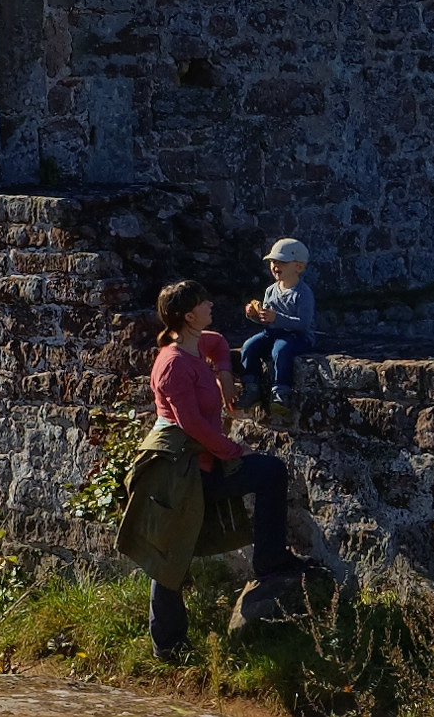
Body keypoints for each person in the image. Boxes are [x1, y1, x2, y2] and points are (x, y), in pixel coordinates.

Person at [116, 280, 308, 660]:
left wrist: (223, 376)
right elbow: (193, 427)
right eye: (204, 302)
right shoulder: (172, 364)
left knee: (270, 472)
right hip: (177, 468)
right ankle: (168, 647)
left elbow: (220, 344)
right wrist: (234, 450)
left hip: (200, 460)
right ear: (188, 316)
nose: (210, 305)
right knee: (172, 551)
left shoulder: (195, 344)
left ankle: (271, 562)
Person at [238, 238, 315, 413]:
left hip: (298, 336)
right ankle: (251, 386)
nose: (275, 266)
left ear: (299, 267)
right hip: (274, 332)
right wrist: (255, 316)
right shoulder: (271, 290)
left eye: (282, 262)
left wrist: (276, 318)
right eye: (273, 262)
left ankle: (281, 391)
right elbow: (267, 320)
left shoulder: (303, 293)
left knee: (280, 350)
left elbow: (303, 324)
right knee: (249, 346)